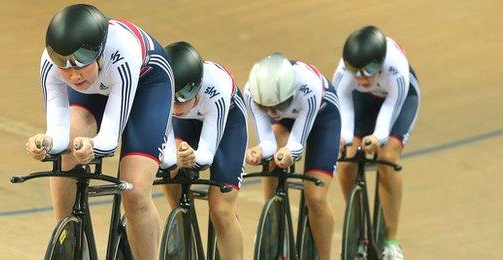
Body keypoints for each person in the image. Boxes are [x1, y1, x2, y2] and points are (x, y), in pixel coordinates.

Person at [24, 4, 174, 259]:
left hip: (148, 88)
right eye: (66, 68)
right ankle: (69, 242)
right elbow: (59, 132)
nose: (72, 76)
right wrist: (46, 143)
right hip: (96, 89)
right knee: (66, 155)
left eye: (80, 65)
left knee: (135, 190)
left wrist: (94, 146)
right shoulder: (52, 62)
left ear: (100, 52)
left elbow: (108, 139)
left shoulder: (122, 52)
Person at [333, 25, 420, 260]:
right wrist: (346, 137)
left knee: (387, 159)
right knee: (346, 161)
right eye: (356, 72)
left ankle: (391, 241)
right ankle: (358, 227)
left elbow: (390, 110)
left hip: (398, 101)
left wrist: (379, 137)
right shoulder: (343, 72)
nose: (362, 77)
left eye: (370, 70)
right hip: (363, 102)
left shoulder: (396, 68)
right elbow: (343, 103)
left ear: (380, 63)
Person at [245, 52, 341, 260]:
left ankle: (325, 257)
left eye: (277, 106)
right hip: (289, 122)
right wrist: (260, 151)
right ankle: (273, 220)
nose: (272, 112)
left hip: (323, 119)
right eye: (265, 107)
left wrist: (289, 153)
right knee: (274, 152)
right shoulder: (251, 92)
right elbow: (268, 142)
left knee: (315, 196)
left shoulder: (309, 86)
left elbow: (296, 144)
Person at [159, 41, 247, 259]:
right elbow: (164, 147)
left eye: (183, 98)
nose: (176, 106)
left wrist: (192, 157)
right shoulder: (161, 89)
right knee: (171, 174)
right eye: (172, 99)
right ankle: (182, 225)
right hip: (186, 123)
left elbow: (205, 155)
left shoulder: (216, 85)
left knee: (221, 210)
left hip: (227, 125)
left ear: (197, 87)